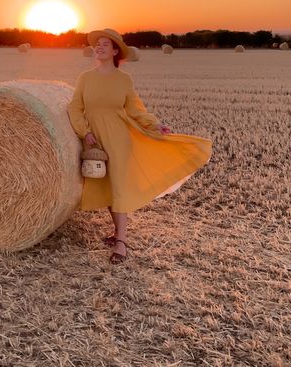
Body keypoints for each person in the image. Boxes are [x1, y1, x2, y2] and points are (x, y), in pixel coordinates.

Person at [67, 28, 212, 264]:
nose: (99, 47)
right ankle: (116, 233)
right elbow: (75, 108)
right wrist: (85, 132)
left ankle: (122, 242)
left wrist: (155, 125)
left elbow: (135, 110)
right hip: (95, 137)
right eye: (98, 44)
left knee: (119, 187)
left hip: (119, 138)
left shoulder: (124, 80)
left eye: (106, 44)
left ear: (115, 51)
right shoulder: (85, 78)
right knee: (107, 188)